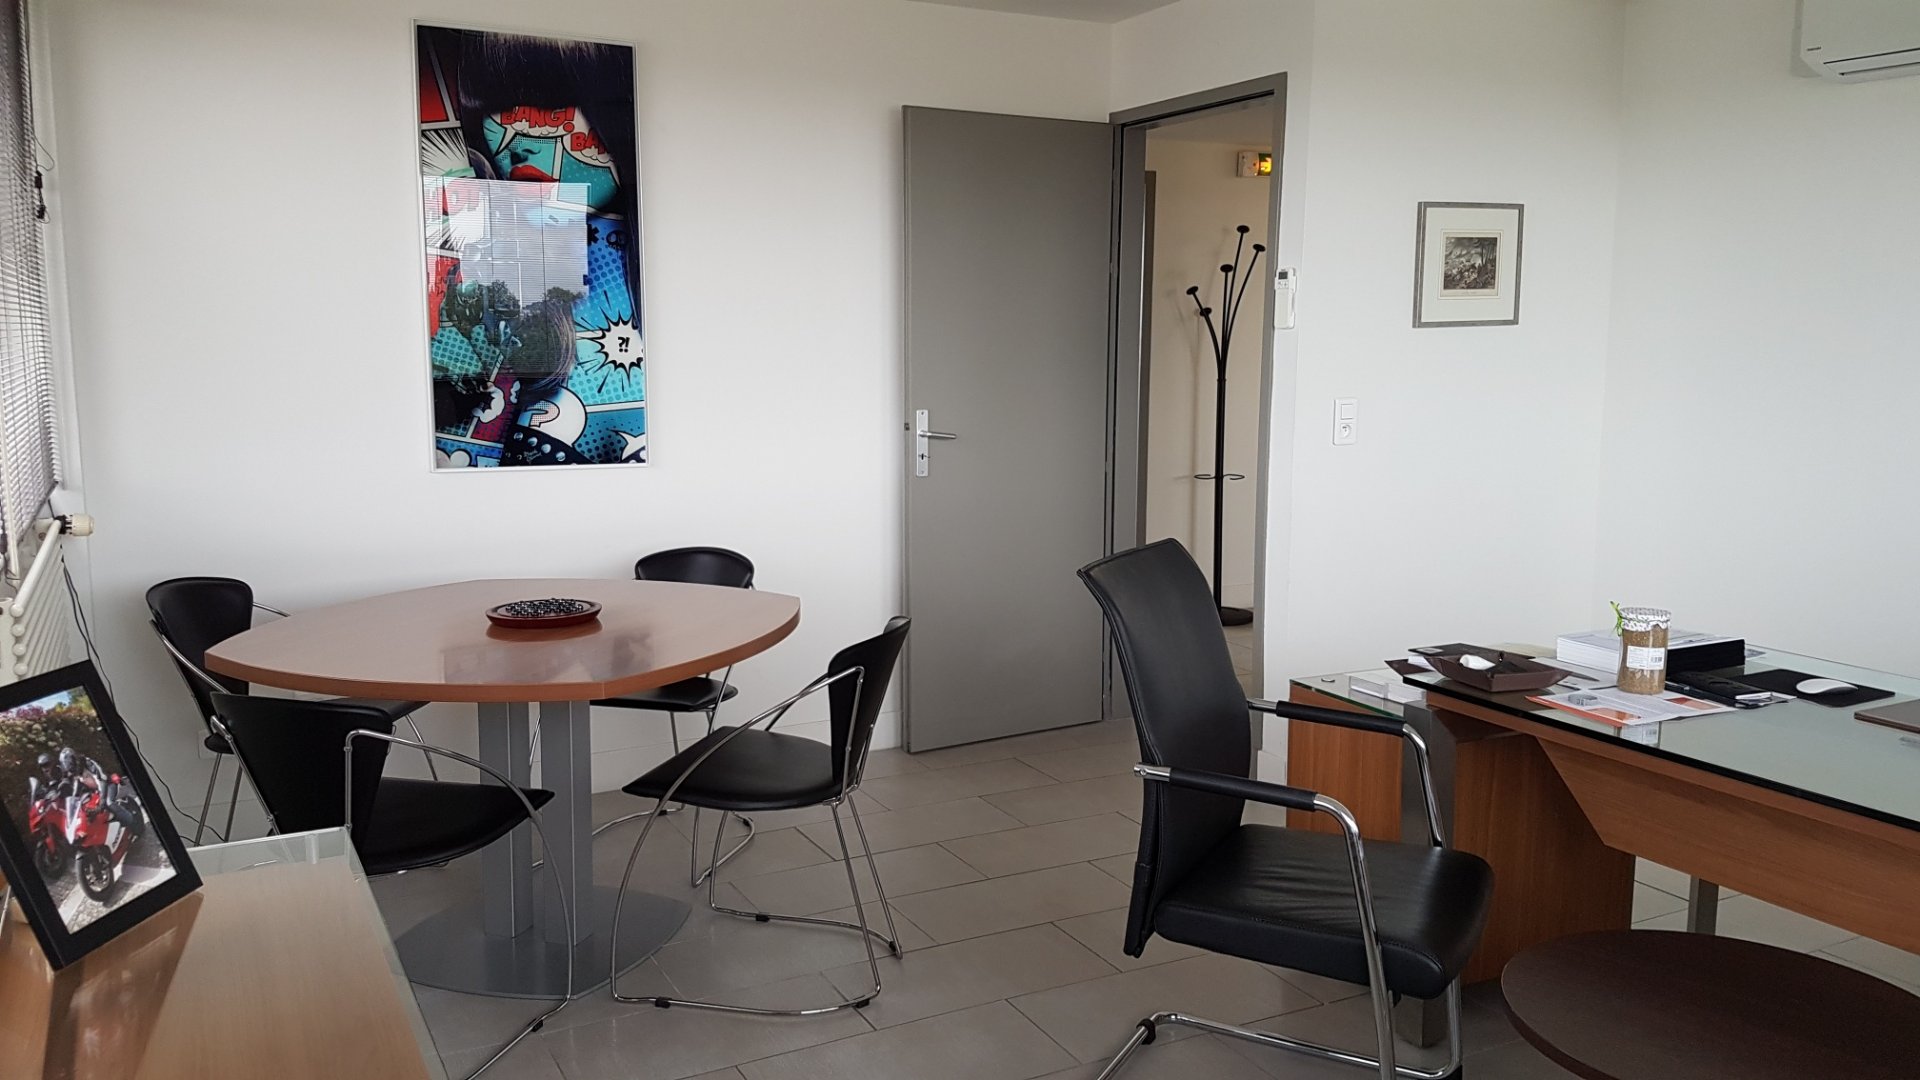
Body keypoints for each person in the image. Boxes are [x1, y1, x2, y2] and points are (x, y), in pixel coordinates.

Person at [52, 746, 140, 838]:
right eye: (69, 769)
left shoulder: (88, 763)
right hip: (97, 791)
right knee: (88, 808)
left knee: (109, 803)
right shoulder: (76, 773)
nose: (71, 771)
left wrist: (102, 802)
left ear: (74, 760)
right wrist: (72, 806)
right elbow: (76, 789)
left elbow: (102, 779)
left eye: (71, 767)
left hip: (109, 784)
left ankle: (133, 824)